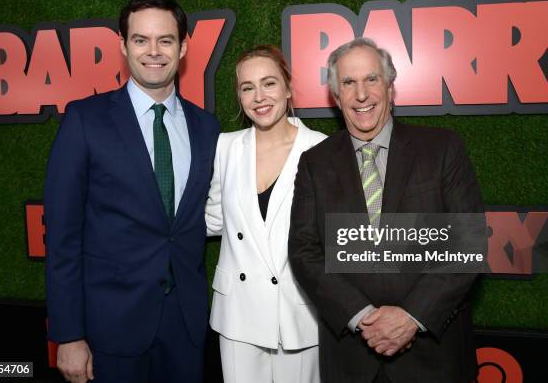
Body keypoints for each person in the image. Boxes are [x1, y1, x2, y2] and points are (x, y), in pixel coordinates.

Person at [44, 0, 219, 383]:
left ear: (184, 46)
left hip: (187, 329)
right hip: (112, 328)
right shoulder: (85, 121)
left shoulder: (207, 128)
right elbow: (62, 237)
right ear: (123, 46)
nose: (153, 51)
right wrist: (69, 335)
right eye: (141, 40)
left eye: (166, 40)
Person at [288, 37, 484, 383]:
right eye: (348, 83)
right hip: (352, 358)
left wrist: (411, 317)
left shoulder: (442, 149)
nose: (361, 94)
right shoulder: (314, 164)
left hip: (433, 359)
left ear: (390, 87)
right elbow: (304, 251)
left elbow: (468, 244)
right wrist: (361, 315)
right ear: (336, 96)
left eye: (372, 79)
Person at [205, 45, 326, 383]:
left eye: (269, 83)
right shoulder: (225, 147)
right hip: (237, 314)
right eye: (247, 87)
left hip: (298, 314)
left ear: (288, 88)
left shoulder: (321, 148)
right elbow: (214, 218)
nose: (259, 96)